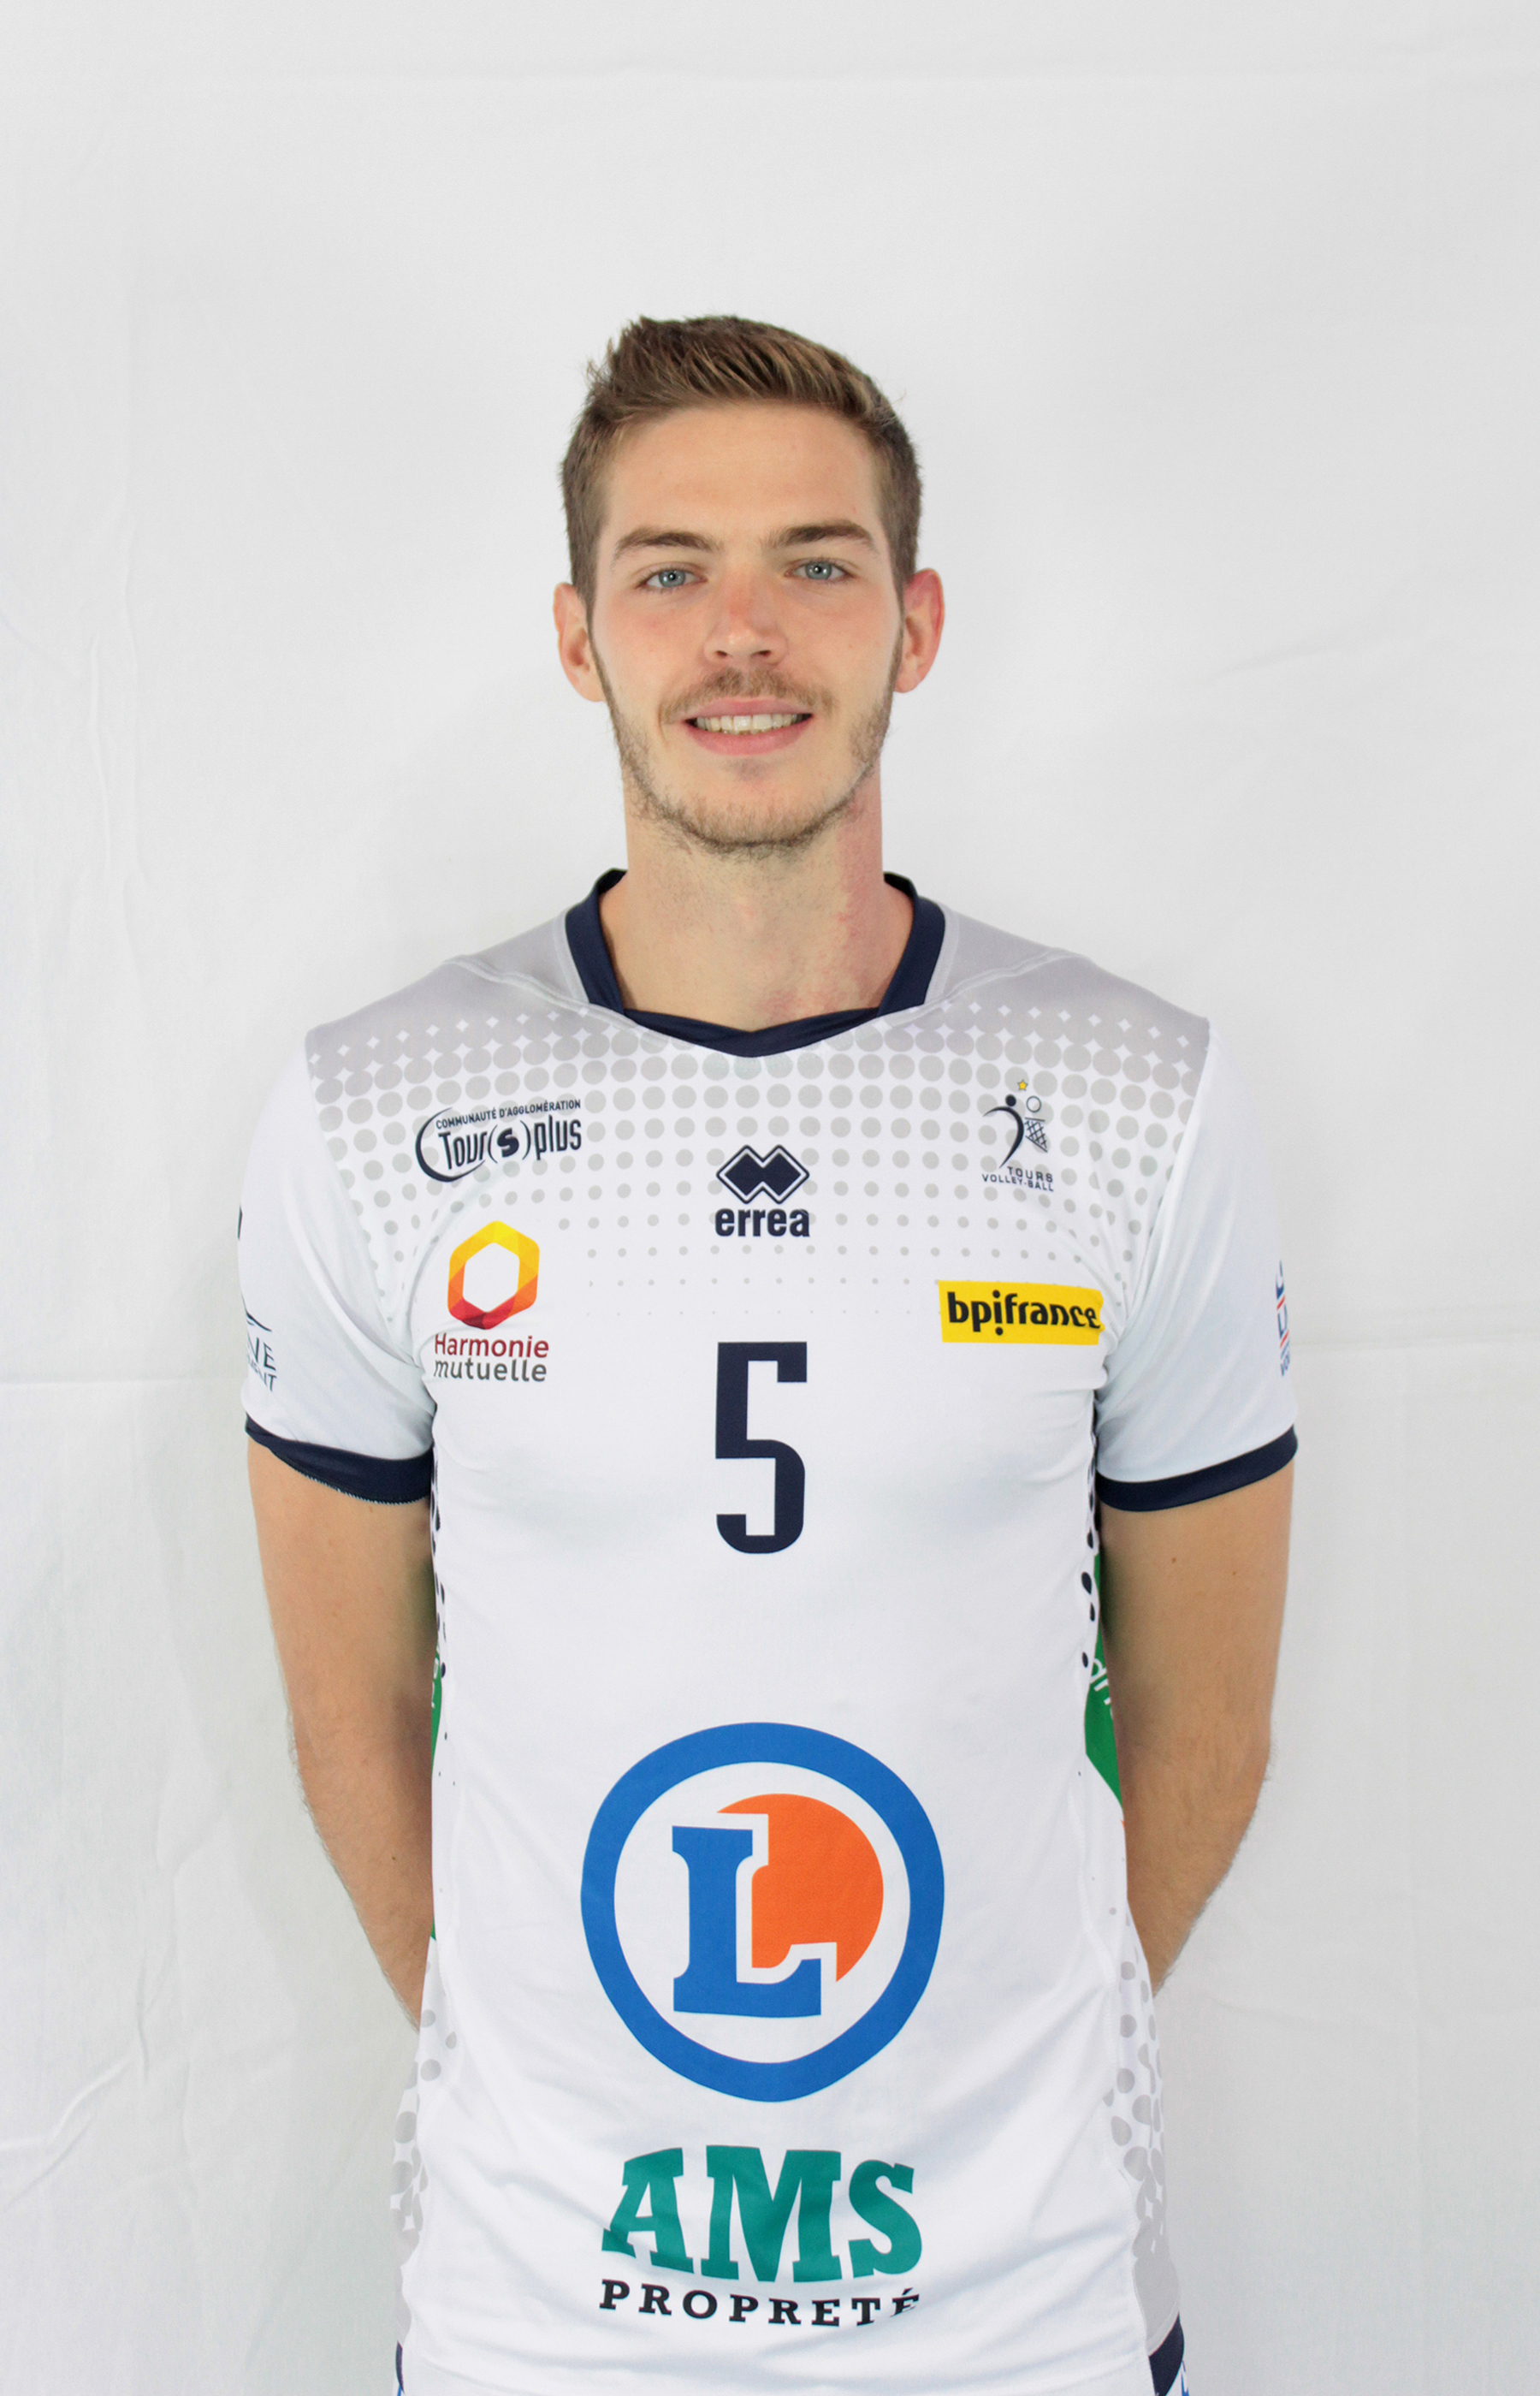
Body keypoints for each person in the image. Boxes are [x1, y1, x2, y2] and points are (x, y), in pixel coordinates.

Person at [240, 316, 1294, 2396]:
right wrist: (551, 2074)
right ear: (578, 635)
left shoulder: (1135, 1098)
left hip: (1021, 2313)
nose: (745, 633)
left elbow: (1207, 1729)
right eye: (672, 571)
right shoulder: (375, 1111)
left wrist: (990, 2070)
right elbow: (353, 1714)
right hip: (544, 2316)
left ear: (915, 620)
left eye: (816, 563)